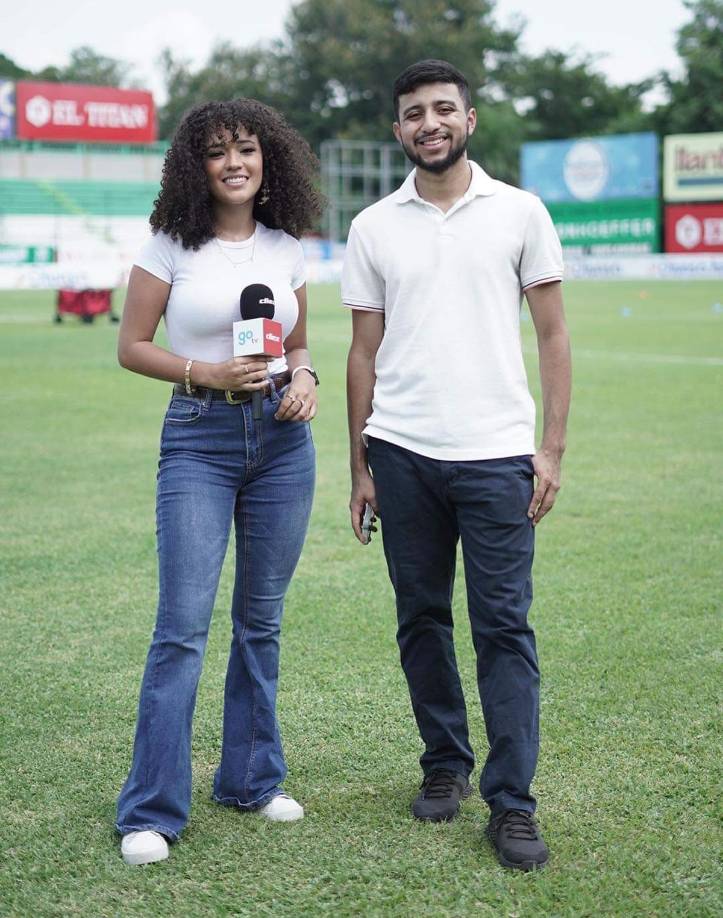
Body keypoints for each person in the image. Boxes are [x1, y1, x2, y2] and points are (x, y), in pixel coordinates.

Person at [343, 60, 571, 871]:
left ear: (468, 120)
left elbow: (550, 334)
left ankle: (512, 804)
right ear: (398, 129)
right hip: (402, 453)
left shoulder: (519, 211)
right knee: (421, 618)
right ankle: (445, 766)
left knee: (503, 628)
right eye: (413, 113)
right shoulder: (373, 225)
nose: (428, 123)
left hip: (497, 454)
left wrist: (549, 448)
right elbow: (362, 350)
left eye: (443, 109)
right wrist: (359, 462)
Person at [115, 99, 323, 866]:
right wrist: (202, 368)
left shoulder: (287, 246)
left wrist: (304, 378)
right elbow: (131, 345)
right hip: (198, 437)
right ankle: (150, 809)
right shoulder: (168, 243)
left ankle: (250, 778)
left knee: (259, 623)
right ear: (193, 167)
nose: (234, 162)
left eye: (246, 149)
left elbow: (298, 341)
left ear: (269, 159)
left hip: (282, 441)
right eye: (216, 152)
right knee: (181, 629)